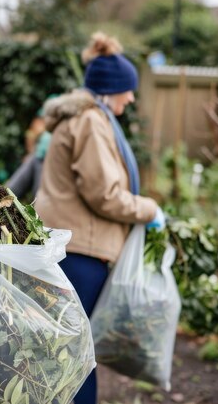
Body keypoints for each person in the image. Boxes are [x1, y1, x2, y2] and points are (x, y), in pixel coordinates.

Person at [34, 32, 165, 404]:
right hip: (81, 254)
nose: (132, 97)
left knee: (70, 351)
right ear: (110, 90)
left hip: (76, 249)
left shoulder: (86, 117)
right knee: (76, 357)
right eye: (128, 90)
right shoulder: (92, 121)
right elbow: (104, 194)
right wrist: (150, 209)